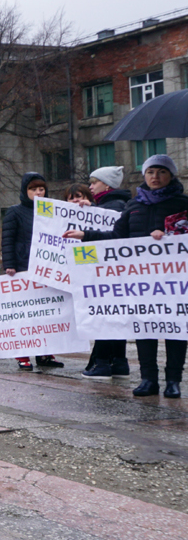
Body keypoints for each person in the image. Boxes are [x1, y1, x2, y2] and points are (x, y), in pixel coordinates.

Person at [65, 155, 188, 398]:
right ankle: (148, 379)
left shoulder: (183, 203)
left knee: (175, 328)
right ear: (144, 175)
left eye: (161, 172)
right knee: (144, 327)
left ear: (170, 176)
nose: (155, 177)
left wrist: (169, 235)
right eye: (150, 172)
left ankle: (173, 380)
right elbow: (116, 237)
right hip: (140, 282)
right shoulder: (134, 205)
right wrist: (85, 235)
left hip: (173, 282)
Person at [1, 173, 62, 371]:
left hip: (46, 267)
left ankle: (45, 354)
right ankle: (22, 355)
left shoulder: (51, 211)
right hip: (22, 266)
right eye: (33, 189)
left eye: (41, 189)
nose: (38, 192)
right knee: (24, 314)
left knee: (45, 313)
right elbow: (8, 239)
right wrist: (9, 263)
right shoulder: (15, 212)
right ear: (25, 191)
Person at [84, 166, 132, 377]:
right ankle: (119, 362)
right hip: (116, 271)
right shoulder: (117, 204)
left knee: (105, 316)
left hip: (108, 271)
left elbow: (111, 236)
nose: (90, 187)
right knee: (115, 315)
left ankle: (102, 362)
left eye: (94, 182)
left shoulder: (113, 206)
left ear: (107, 184)